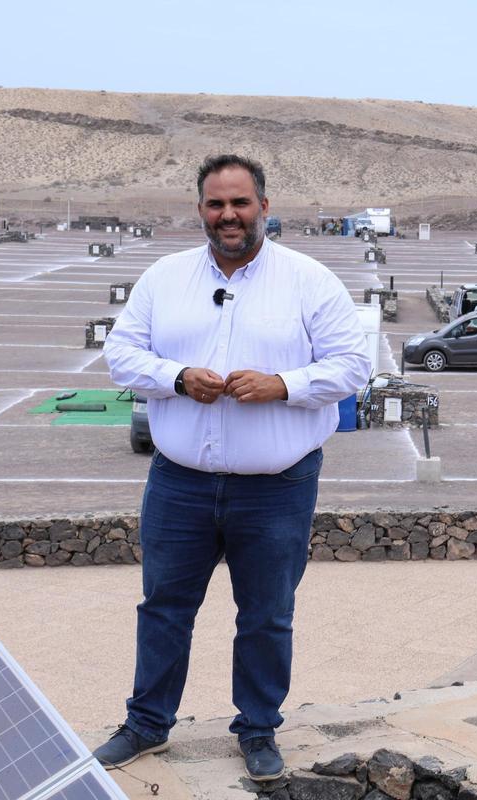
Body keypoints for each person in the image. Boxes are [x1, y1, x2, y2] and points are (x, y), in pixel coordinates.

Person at [97, 155, 371, 782]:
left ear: (264, 209)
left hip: (277, 488)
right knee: (164, 607)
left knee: (267, 615)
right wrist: (176, 376)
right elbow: (121, 353)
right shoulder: (164, 278)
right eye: (216, 204)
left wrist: (284, 384)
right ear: (201, 210)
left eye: (240, 203)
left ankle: (257, 730)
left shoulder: (309, 280)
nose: (228, 215)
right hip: (180, 483)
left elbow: (351, 366)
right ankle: (146, 725)